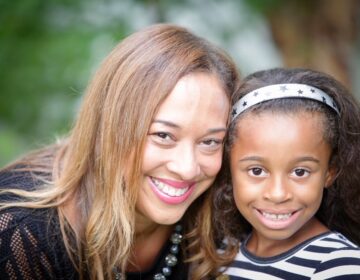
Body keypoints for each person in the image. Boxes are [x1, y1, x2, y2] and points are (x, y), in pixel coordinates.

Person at [0, 24, 240, 280]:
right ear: (110, 128)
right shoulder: (21, 233)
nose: (187, 168)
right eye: (163, 136)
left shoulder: (225, 210)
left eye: (210, 142)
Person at [213, 68, 360, 279]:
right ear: (229, 168)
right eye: (257, 171)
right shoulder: (219, 254)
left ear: (330, 172)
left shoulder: (340, 266)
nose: (278, 194)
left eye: (300, 172)